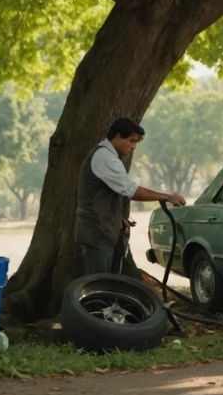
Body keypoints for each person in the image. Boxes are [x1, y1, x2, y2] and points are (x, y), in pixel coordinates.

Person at [75, 117, 186, 276]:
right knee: (98, 286)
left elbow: (107, 193)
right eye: (131, 141)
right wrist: (167, 197)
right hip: (96, 233)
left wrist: (118, 216)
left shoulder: (110, 157)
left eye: (136, 143)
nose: (133, 147)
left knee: (110, 285)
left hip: (105, 231)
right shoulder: (105, 157)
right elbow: (131, 191)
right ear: (118, 136)